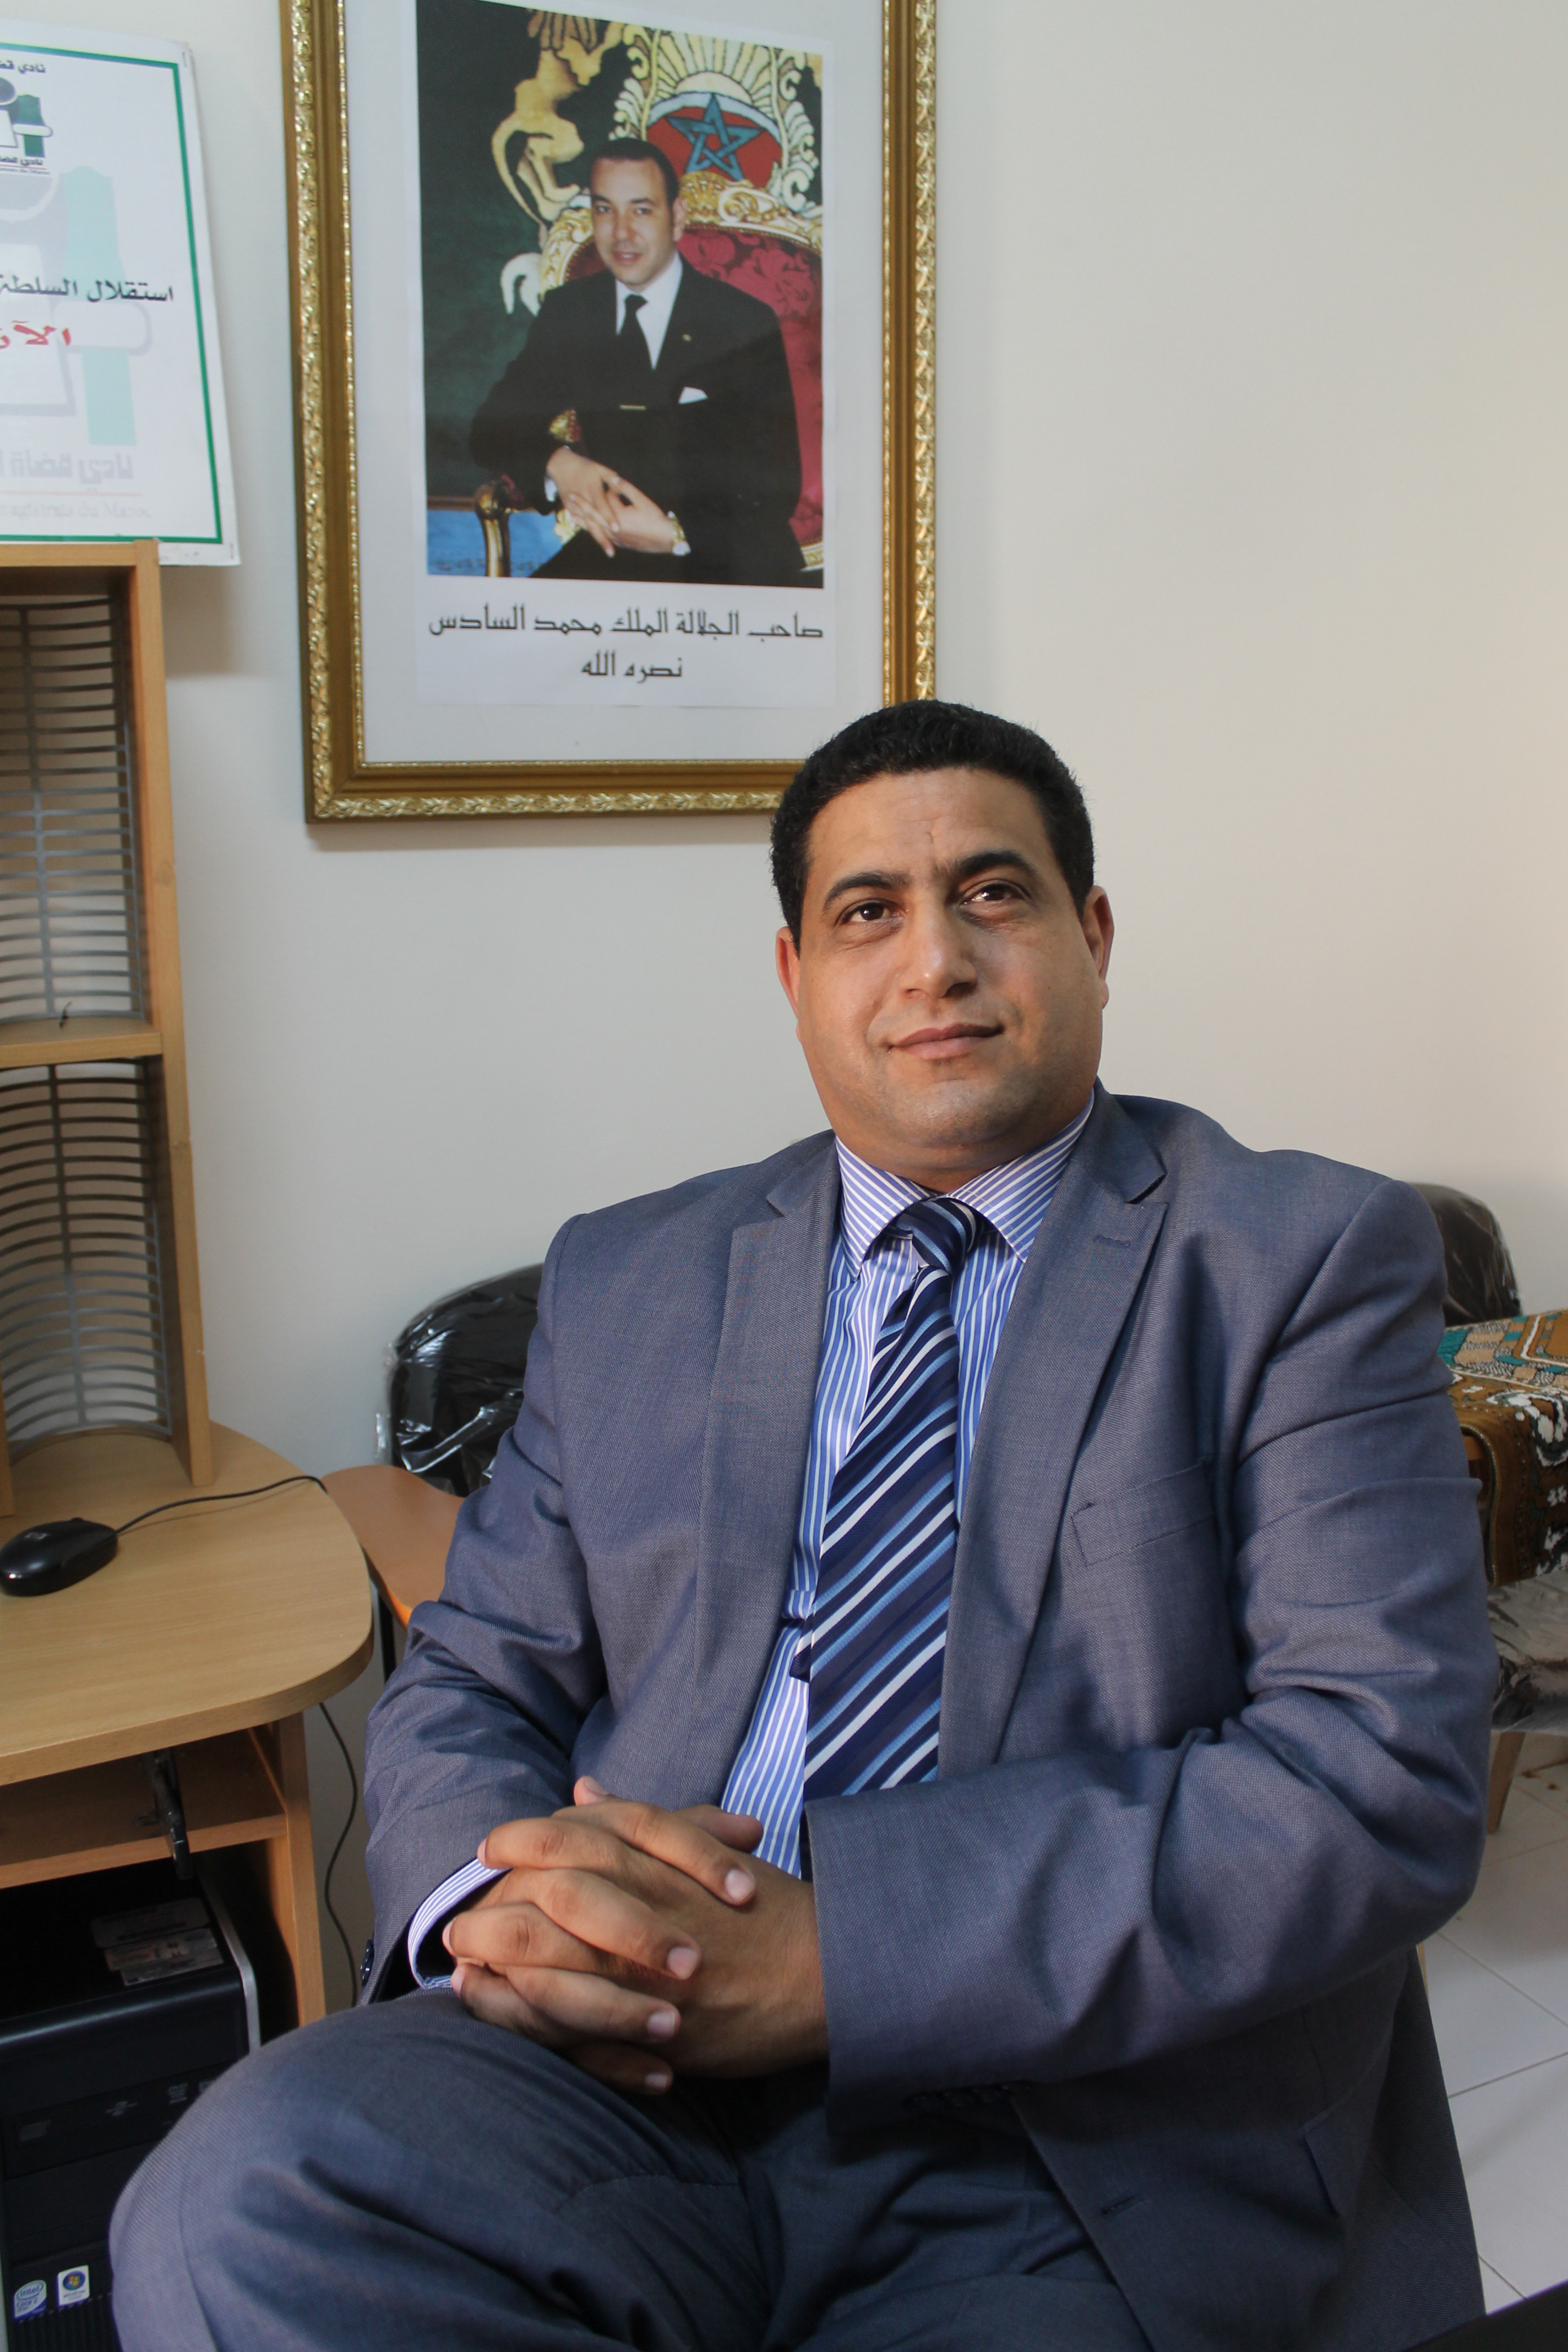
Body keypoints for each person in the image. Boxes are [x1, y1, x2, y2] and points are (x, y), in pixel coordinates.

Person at [111, 701, 1495, 2352]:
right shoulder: (629, 1276)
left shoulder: (1293, 1257)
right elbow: (475, 1677)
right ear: (792, 975)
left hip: (1067, 2127)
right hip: (632, 2060)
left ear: (1093, 935)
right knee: (234, 2203)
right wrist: (497, 1907)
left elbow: (1373, 1772)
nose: (934, 962)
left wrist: (844, 1955)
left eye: (991, 893)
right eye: (866, 912)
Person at [471, 137, 806, 587]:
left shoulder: (742, 321)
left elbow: (777, 486)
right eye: (604, 209)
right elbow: (490, 427)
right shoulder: (573, 312)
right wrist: (561, 463)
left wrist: (677, 537)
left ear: (678, 218)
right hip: (612, 552)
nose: (621, 234)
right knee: (521, 624)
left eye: (642, 210)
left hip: (727, 557)